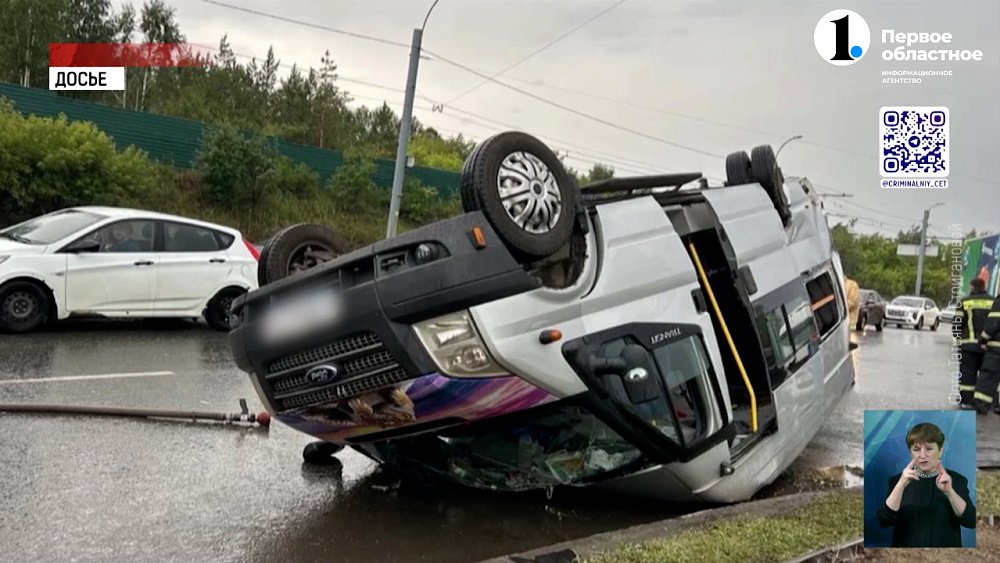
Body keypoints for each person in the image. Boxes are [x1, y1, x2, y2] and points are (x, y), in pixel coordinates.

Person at [876, 422, 976, 547]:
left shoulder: (957, 480)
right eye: (916, 450)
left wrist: (950, 492)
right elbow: (883, 521)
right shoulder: (897, 481)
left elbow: (971, 521)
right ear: (910, 453)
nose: (923, 455)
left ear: (940, 451)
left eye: (929, 449)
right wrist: (900, 486)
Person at [952, 278, 994, 409]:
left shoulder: (964, 302)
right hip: (988, 346)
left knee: (967, 374)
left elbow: (957, 323)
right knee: (986, 375)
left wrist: (958, 338)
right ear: (984, 286)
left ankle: (966, 401)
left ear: (972, 286)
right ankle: (983, 402)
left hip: (968, 345)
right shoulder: (993, 302)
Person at [973, 291, 1000, 414]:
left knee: (989, 375)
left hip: (997, 348)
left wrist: (982, 339)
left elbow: (993, 324)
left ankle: (981, 404)